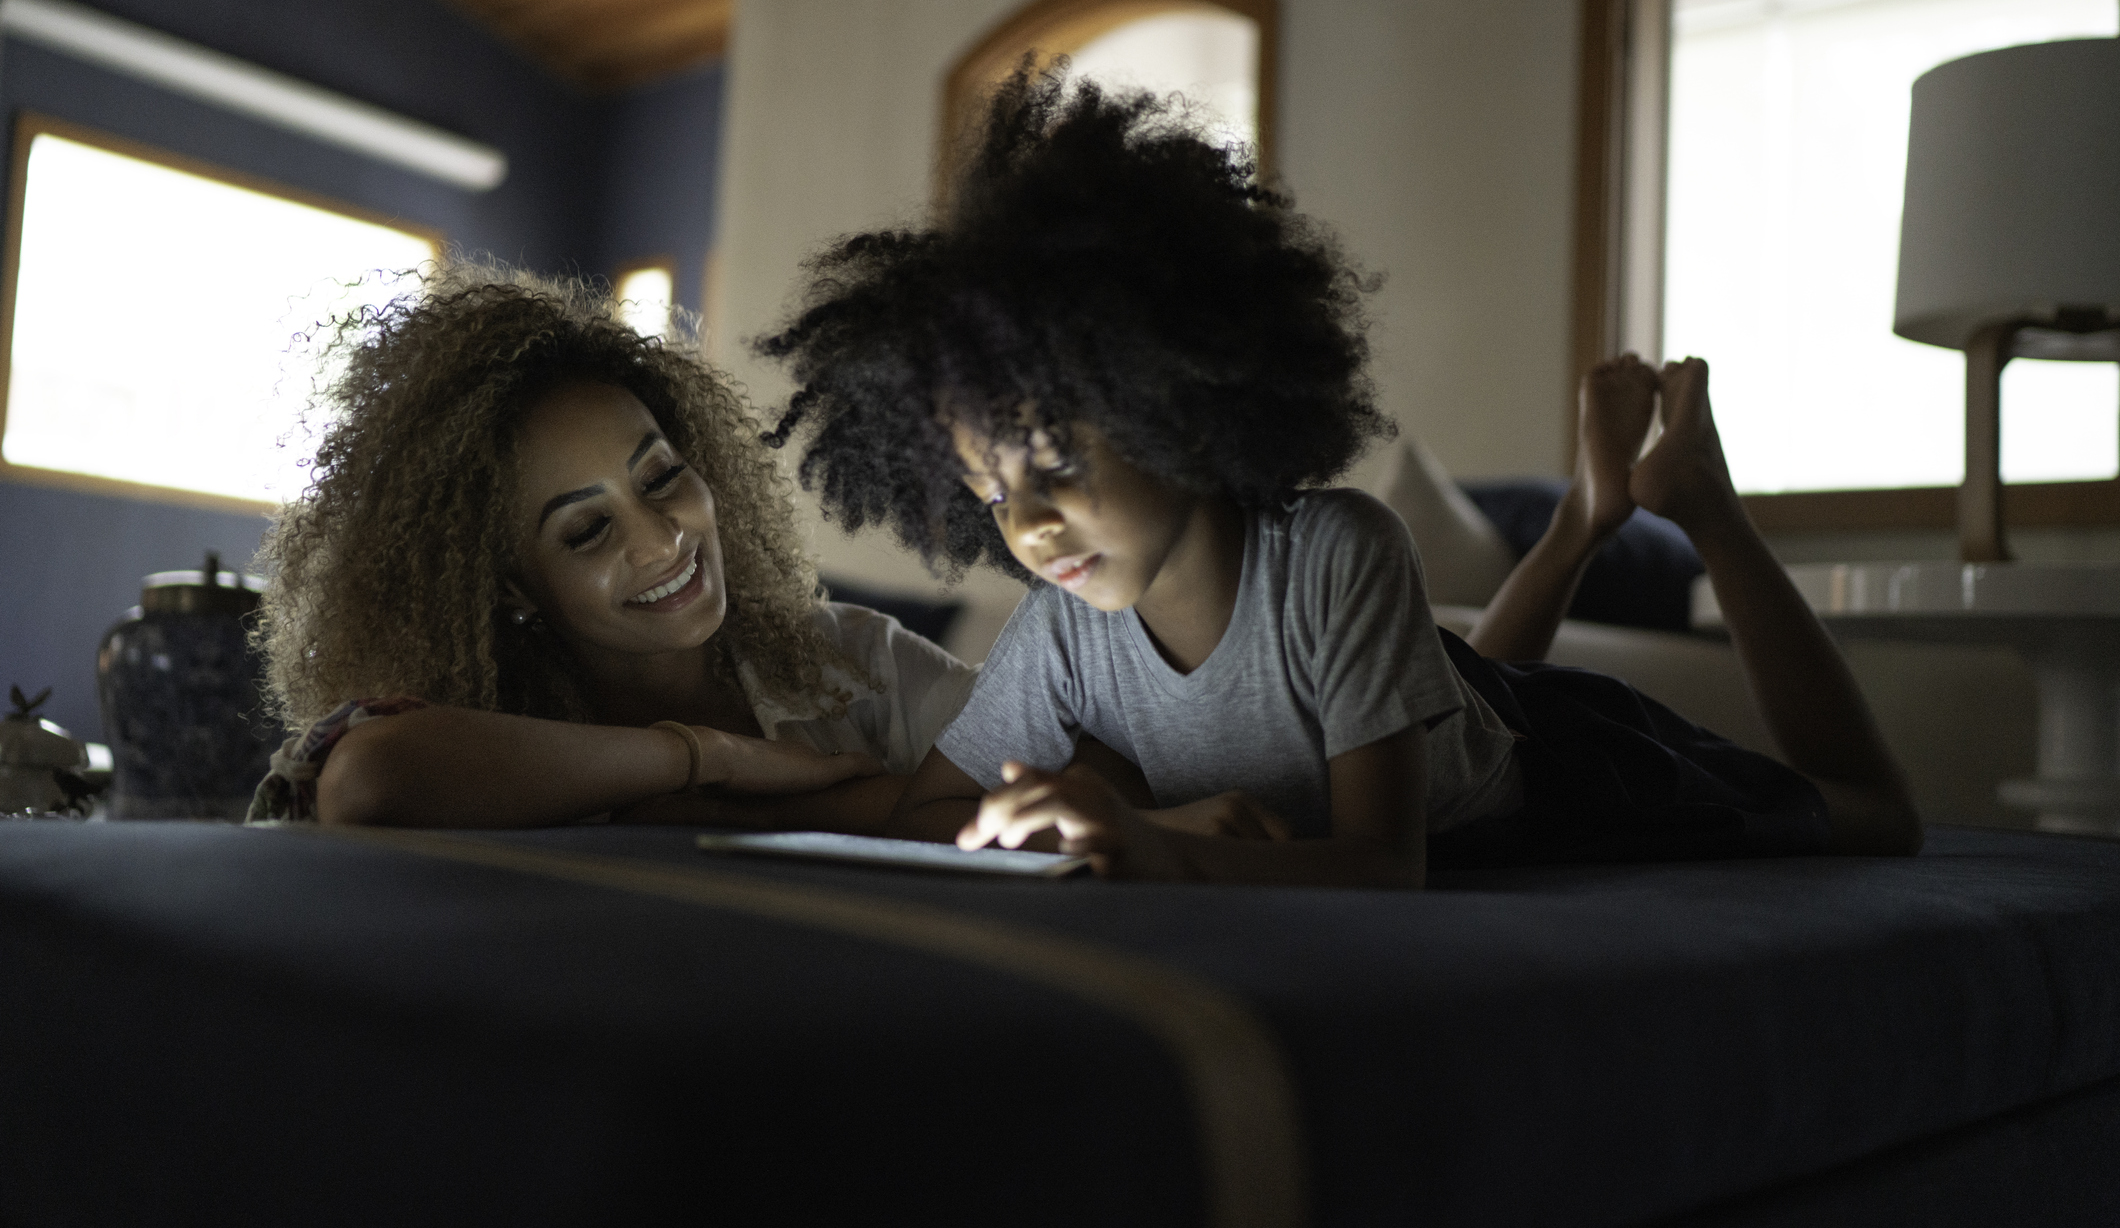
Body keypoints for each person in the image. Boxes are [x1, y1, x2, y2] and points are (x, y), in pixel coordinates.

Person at [755, 69, 1923, 886]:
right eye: (988, 493)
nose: (1027, 523)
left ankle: (1700, 505)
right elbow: (923, 816)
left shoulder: (1339, 548)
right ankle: (1582, 519)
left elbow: (1385, 863)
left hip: (1565, 768)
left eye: (1054, 466)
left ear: (1178, 400)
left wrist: (1157, 845)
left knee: (1870, 817)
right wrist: (1099, 813)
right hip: (1458, 703)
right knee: (1476, 683)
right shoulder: (1058, 629)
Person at [245, 259, 976, 830]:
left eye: (659, 477)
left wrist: (748, 810)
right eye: (587, 530)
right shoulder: (486, 724)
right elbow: (366, 782)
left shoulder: (852, 661)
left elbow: (1067, 795)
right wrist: (707, 758)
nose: (662, 539)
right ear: (511, 586)